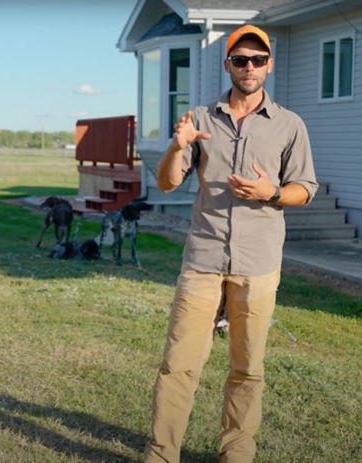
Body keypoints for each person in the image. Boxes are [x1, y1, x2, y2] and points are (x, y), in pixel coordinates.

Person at [143, 24, 318, 463]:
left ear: (269, 66)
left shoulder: (289, 125)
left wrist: (272, 194)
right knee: (178, 365)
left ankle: (236, 454)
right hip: (204, 259)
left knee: (247, 370)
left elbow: (305, 188)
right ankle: (161, 455)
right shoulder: (200, 120)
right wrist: (175, 147)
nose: (250, 67)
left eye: (258, 59)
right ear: (228, 65)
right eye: (240, 59)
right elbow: (166, 185)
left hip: (258, 264)